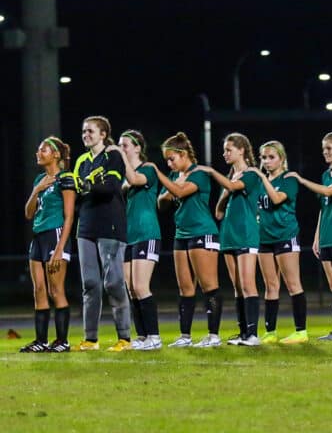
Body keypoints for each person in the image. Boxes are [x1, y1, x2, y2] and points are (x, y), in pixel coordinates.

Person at [287, 131, 332, 341]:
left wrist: (301, 180)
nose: (325, 152)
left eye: (329, 148)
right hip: (328, 236)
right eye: (324, 149)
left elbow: (329, 192)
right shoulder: (326, 174)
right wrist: (317, 236)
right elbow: (324, 206)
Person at [152, 132, 223, 347]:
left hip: (202, 232)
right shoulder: (175, 177)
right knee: (185, 288)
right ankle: (185, 336)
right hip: (181, 234)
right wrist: (168, 190)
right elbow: (161, 204)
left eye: (171, 158)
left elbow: (180, 193)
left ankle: (213, 335)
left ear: (183, 154)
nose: (168, 163)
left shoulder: (199, 173)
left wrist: (158, 174)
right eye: (166, 160)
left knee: (209, 286)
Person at [196, 133, 263, 347]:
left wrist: (212, 172)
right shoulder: (231, 177)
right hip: (229, 234)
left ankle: (253, 334)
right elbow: (218, 212)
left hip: (246, 233)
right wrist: (226, 191)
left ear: (241, 150)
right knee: (236, 286)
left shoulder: (252, 173)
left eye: (229, 150)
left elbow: (235, 188)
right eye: (224, 150)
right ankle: (243, 332)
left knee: (247, 283)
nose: (225, 154)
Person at [73, 116, 131, 351]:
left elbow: (111, 188)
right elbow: (76, 191)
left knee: (114, 282)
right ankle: (90, 339)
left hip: (110, 225)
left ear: (103, 134)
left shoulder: (113, 156)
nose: (86, 134)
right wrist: (82, 186)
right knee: (89, 283)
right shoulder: (81, 161)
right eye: (84, 131)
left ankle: (125, 338)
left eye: (90, 131)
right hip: (85, 226)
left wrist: (88, 186)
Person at [249, 141, 308, 344]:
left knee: (292, 284)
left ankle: (301, 331)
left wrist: (262, 179)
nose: (266, 161)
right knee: (270, 285)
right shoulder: (260, 182)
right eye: (263, 157)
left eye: (271, 157)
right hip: (264, 238)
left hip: (285, 235)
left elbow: (276, 199)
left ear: (282, 159)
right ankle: (270, 332)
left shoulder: (288, 179)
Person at [109, 130, 162, 350]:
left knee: (141, 286)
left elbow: (133, 179)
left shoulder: (148, 169)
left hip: (147, 233)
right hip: (129, 236)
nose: (122, 149)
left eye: (126, 145)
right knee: (130, 288)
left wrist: (119, 156)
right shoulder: (126, 175)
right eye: (120, 145)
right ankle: (142, 336)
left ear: (138, 147)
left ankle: (154, 337)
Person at [21, 137, 75, 352]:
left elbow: (69, 216)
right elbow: (28, 213)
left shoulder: (65, 178)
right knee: (39, 290)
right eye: (38, 149)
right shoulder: (40, 180)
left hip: (56, 234)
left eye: (43, 149)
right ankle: (41, 341)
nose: (38, 152)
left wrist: (60, 249)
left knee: (56, 289)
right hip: (38, 237)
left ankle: (62, 341)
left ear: (56, 155)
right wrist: (36, 190)